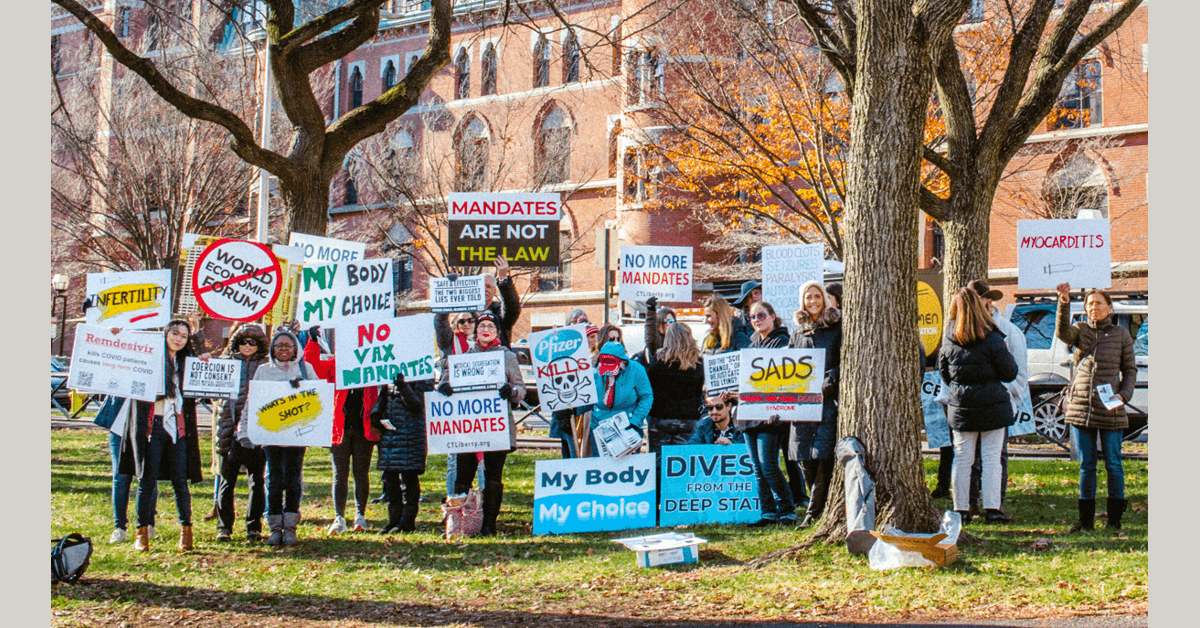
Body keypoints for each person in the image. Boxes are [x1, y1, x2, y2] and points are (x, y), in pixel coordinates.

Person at [1055, 283, 1137, 532]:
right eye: (1090, 304)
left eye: (1099, 303)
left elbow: (1130, 369)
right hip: (1081, 408)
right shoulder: (1079, 330)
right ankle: (1086, 521)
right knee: (1086, 465)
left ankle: (1114, 520)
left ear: (1110, 307)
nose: (1094, 307)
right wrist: (1064, 302)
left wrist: (1124, 394)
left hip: (1111, 409)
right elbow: (1062, 333)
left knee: (1113, 463)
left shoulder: (1121, 335)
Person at [436, 312, 526, 536]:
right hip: (469, 428)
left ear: (497, 331)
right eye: (482, 325)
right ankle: (461, 524)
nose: (486, 329)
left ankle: (489, 525)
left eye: (491, 326)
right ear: (476, 331)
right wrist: (444, 387)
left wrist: (511, 391)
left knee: (494, 477)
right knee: (462, 477)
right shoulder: (465, 354)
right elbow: (445, 380)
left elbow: (520, 389)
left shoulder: (506, 356)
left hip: (498, 427)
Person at [120, 320, 204, 552]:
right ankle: (141, 532)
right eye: (174, 334)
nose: (178, 339)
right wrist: (117, 332)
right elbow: (126, 350)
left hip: (178, 428)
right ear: (165, 334)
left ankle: (186, 531)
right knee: (146, 481)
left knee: (180, 481)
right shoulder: (150, 358)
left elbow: (207, 367)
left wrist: (198, 338)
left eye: (184, 336)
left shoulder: (186, 363)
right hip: (152, 426)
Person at [939, 288, 1019, 525]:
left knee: (962, 458)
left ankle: (961, 509)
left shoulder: (950, 339)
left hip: (962, 405)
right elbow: (1010, 372)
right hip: (993, 403)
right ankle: (992, 508)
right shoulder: (993, 338)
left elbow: (945, 375)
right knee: (992, 459)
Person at [243, 328, 319, 546]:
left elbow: (318, 396)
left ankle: (291, 526)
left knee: (294, 480)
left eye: (288, 345)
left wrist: (303, 386)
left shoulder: (306, 368)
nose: (283, 349)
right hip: (271, 436)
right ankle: (275, 526)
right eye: (279, 346)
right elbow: (252, 400)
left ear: (296, 348)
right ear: (272, 349)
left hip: (296, 435)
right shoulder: (263, 370)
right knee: (274, 480)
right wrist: (245, 430)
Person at [304, 325, 382, 534]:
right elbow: (311, 364)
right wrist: (312, 341)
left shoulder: (372, 367)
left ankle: (360, 516)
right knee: (340, 474)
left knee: (361, 473)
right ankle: (339, 517)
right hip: (339, 430)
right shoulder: (333, 366)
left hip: (364, 431)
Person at [789, 281, 843, 529]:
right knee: (804, 458)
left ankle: (813, 512)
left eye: (817, 296)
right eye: (808, 297)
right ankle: (817, 503)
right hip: (802, 405)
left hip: (827, 402)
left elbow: (847, 357)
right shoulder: (797, 333)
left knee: (822, 456)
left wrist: (832, 376)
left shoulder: (836, 327)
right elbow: (786, 367)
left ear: (824, 298)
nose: (812, 301)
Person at [739, 301, 797, 527]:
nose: (756, 320)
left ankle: (787, 509)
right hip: (749, 413)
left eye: (761, 315)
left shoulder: (783, 342)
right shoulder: (751, 346)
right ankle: (768, 513)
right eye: (752, 317)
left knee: (768, 465)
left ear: (773, 316)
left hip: (770, 414)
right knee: (757, 468)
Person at [214, 324, 270, 542]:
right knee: (227, 481)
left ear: (260, 346)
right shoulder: (225, 363)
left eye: (253, 343)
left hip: (257, 430)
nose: (248, 346)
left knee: (256, 481)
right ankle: (224, 527)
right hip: (229, 427)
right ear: (236, 343)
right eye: (244, 342)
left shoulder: (268, 366)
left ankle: (253, 526)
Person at [371, 373, 435, 533]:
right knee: (391, 480)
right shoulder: (388, 376)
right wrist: (376, 414)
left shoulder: (422, 375)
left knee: (409, 479)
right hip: (391, 435)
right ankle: (393, 521)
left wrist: (403, 386)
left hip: (410, 435)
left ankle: (407, 522)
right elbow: (383, 399)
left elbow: (417, 405)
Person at [94, 395, 156, 544]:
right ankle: (119, 527)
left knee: (146, 476)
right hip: (119, 427)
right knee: (120, 477)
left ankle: (147, 524)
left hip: (145, 426)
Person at [645, 323, 705, 455]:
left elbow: (649, 386)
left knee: (658, 461)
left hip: (661, 416)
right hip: (688, 417)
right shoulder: (698, 363)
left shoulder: (659, 361)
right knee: (683, 462)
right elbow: (698, 391)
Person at [588, 341, 654, 457]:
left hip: (628, 425)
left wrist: (635, 421)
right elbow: (586, 396)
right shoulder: (594, 371)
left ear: (623, 362)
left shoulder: (636, 370)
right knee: (602, 467)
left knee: (627, 468)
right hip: (599, 426)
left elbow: (647, 397)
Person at [549, 324, 601, 459]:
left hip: (587, 411)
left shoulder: (598, 359)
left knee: (587, 450)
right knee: (571, 451)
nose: (594, 340)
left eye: (596, 336)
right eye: (590, 337)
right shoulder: (571, 359)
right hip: (571, 411)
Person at [483, 256, 521, 347]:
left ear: (494, 291)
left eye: (488, 287)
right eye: (481, 286)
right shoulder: (465, 315)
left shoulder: (500, 315)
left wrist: (503, 277)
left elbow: (512, 307)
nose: (484, 290)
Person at [640, 297, 677, 365]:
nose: (669, 324)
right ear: (659, 324)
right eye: (665, 321)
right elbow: (650, 329)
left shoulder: (679, 339)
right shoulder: (656, 341)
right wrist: (651, 311)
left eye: (671, 320)